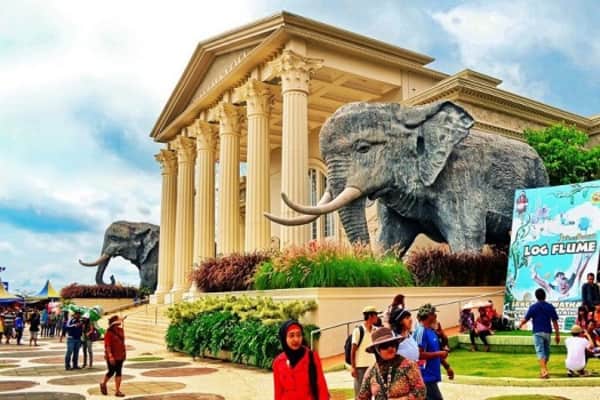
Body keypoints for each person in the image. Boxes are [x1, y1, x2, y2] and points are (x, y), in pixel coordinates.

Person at [358, 327, 425, 400]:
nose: (390, 348)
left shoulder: (409, 365)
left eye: (393, 344)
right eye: (385, 346)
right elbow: (362, 397)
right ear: (377, 350)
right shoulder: (372, 371)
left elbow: (421, 392)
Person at [272, 320, 329, 400]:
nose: (296, 339)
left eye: (299, 335)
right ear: (284, 338)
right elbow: (278, 392)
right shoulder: (278, 362)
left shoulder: (312, 357)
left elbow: (322, 387)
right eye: (291, 335)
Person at [519, 288, 560, 379]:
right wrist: (557, 335)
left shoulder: (533, 307)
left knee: (540, 351)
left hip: (537, 331)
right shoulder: (550, 307)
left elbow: (526, 319)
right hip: (547, 331)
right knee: (546, 352)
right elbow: (555, 321)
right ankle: (544, 370)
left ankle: (543, 370)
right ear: (545, 296)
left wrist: (520, 324)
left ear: (536, 297)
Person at [414, 304, 450, 400]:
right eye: (434, 314)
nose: (435, 316)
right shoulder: (421, 331)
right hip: (425, 377)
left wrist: (447, 367)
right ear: (429, 315)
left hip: (431, 376)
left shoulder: (431, 330)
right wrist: (440, 353)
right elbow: (419, 354)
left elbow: (435, 351)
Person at [351, 306, 379, 397]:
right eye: (376, 315)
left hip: (373, 366)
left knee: (375, 393)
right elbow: (353, 350)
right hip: (360, 368)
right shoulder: (358, 330)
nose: (377, 317)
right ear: (370, 316)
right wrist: (353, 367)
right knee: (360, 394)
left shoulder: (376, 330)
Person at [100, 315, 127, 397]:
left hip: (120, 355)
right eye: (118, 319)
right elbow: (107, 345)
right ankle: (103, 383)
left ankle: (117, 391)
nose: (120, 321)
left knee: (119, 372)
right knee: (111, 371)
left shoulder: (121, 330)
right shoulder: (108, 332)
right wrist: (110, 356)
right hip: (112, 355)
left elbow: (122, 342)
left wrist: (124, 353)